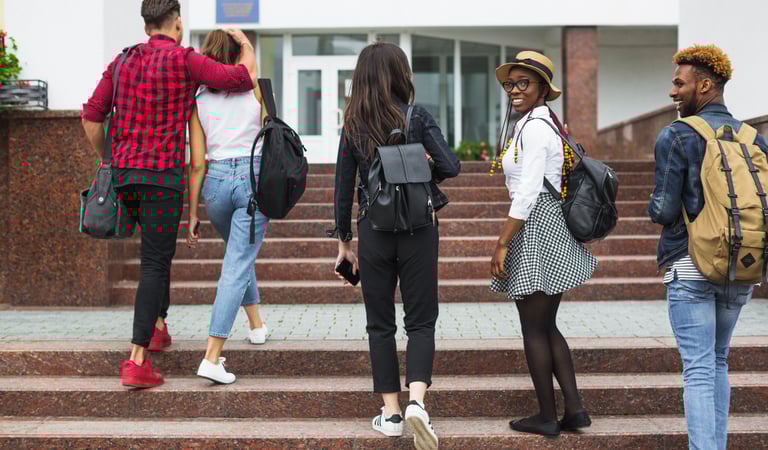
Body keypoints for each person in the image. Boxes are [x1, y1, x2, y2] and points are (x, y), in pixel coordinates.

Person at [81, 0, 258, 389]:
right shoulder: (186, 60)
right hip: (162, 177)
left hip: (125, 176)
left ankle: (159, 325)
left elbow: (92, 115)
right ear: (176, 23)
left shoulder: (122, 61)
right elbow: (241, 78)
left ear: (147, 26)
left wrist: (106, 159)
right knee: (154, 262)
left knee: (157, 255)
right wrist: (245, 44)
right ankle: (137, 360)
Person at [330, 42, 461, 450]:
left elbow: (343, 188)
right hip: (419, 227)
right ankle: (417, 402)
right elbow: (451, 166)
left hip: (373, 230)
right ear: (400, 75)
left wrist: (344, 243)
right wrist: (418, 168)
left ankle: (391, 414)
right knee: (421, 320)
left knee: (380, 323)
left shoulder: (353, 124)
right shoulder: (416, 116)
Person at [648, 44, 768, 450]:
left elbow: (664, 210)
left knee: (698, 369)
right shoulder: (754, 139)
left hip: (691, 266)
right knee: (718, 361)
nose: (673, 91)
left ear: (704, 86)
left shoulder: (677, 135)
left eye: (679, 83)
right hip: (741, 264)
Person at [489, 51, 597, 437]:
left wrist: (503, 242)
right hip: (544, 224)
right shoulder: (539, 123)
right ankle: (574, 410)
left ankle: (547, 416)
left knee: (534, 327)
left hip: (537, 225)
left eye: (524, 83)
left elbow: (528, 190)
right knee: (546, 324)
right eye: (510, 84)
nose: (514, 90)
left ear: (542, 89)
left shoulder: (536, 127)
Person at [186, 29, 270, 384]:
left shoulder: (198, 99)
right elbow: (271, 128)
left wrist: (192, 212)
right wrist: (247, 43)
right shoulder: (255, 89)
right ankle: (212, 356)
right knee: (236, 263)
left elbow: (197, 163)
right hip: (252, 179)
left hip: (216, 186)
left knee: (238, 254)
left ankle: (256, 325)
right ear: (239, 55)